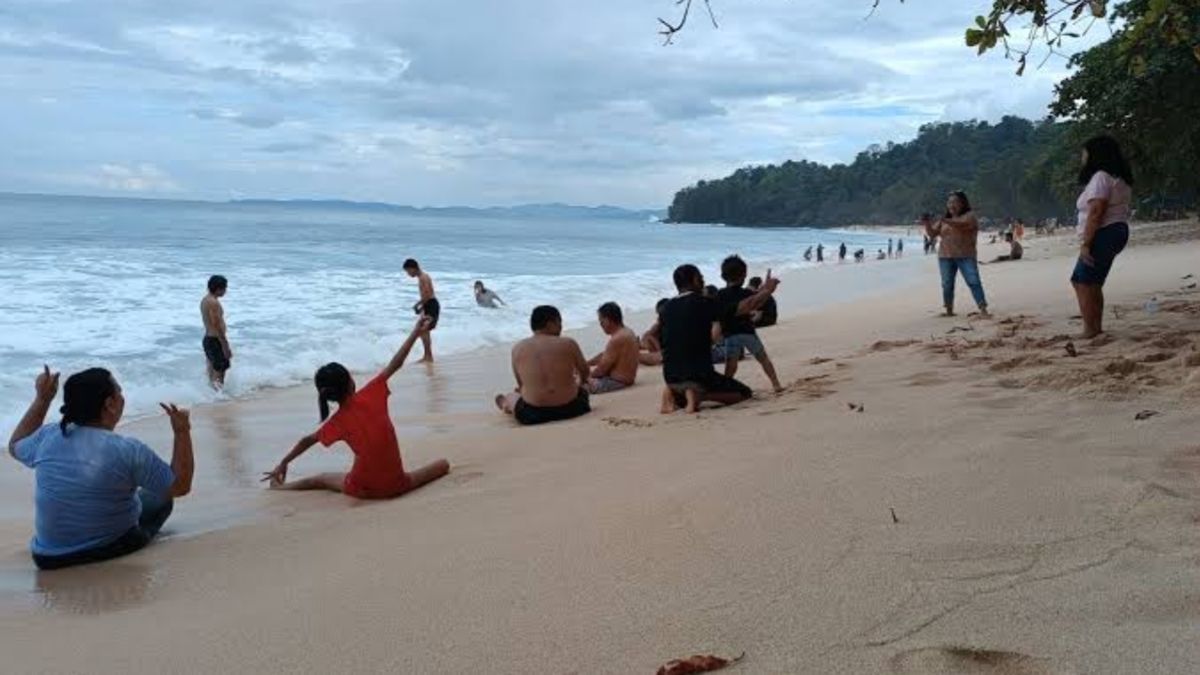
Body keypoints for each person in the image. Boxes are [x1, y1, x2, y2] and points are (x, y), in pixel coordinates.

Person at [9, 366, 195, 569]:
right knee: (159, 498)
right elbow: (180, 486)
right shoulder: (127, 450)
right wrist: (182, 430)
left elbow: (15, 445)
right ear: (110, 405)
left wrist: (42, 400)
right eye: (120, 392)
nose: (123, 397)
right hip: (105, 548)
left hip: (47, 557)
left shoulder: (48, 437)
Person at [263, 318, 450, 497]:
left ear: (328, 396)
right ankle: (280, 489)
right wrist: (416, 332)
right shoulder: (372, 391)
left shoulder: (336, 423)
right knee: (443, 464)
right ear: (350, 381)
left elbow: (307, 440)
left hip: (364, 490)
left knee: (320, 479)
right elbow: (396, 363)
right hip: (399, 484)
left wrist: (284, 462)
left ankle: (280, 488)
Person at [659, 263, 780, 414]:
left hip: (670, 376)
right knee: (743, 393)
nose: (703, 281)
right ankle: (701, 395)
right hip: (699, 375)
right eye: (701, 278)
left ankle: (674, 392)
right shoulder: (704, 303)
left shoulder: (666, 309)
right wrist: (768, 290)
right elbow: (746, 306)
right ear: (695, 280)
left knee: (684, 384)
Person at [1072, 135, 1133, 338]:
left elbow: (1096, 211)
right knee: (1092, 281)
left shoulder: (1100, 177)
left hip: (1104, 232)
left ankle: (1091, 329)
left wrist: (1086, 244)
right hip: (1116, 230)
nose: (1083, 156)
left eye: (1085, 152)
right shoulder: (1117, 177)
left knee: (1082, 281)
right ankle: (1095, 327)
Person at [496, 305, 591, 425]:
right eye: (559, 323)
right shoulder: (569, 343)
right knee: (582, 387)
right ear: (550, 323)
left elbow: (521, 384)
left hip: (533, 415)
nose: (561, 327)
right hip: (574, 408)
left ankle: (506, 403)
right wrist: (577, 383)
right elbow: (585, 373)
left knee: (512, 396)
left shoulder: (517, 349)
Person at [717, 256, 784, 393]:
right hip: (747, 331)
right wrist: (767, 288)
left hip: (730, 334)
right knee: (763, 359)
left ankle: (724, 388)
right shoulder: (746, 293)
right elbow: (757, 299)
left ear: (723, 276)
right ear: (744, 275)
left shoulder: (720, 295)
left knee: (731, 365)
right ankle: (776, 384)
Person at [922, 191, 989, 317]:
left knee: (973, 281)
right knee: (947, 284)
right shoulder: (945, 220)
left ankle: (983, 308)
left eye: (955, 202)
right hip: (945, 256)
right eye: (949, 202)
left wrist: (945, 220)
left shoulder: (970, 216)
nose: (951, 205)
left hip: (966, 255)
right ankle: (949, 310)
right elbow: (932, 234)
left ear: (963, 204)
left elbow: (962, 225)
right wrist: (926, 223)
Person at [587, 302, 639, 394]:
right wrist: (588, 363)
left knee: (573, 385)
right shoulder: (628, 332)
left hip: (616, 382)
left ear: (607, 320)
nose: (601, 325)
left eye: (601, 321)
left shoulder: (616, 339)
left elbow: (601, 370)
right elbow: (606, 355)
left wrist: (586, 376)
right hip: (626, 379)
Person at [403, 259, 438, 362]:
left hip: (431, 305)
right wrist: (422, 307)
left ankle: (428, 356)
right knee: (424, 331)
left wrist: (417, 305)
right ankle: (428, 356)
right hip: (428, 305)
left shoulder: (423, 277)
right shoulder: (422, 277)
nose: (408, 274)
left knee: (423, 331)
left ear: (413, 268)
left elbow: (427, 294)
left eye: (408, 271)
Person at [201, 275, 232, 390]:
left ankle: (211, 397)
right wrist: (225, 346)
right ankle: (218, 397)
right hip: (215, 339)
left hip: (208, 338)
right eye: (225, 288)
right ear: (219, 288)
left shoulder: (205, 300)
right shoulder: (213, 303)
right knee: (220, 370)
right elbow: (217, 325)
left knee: (211, 370)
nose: (225, 291)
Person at [638, 298, 669, 366]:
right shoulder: (660, 324)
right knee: (648, 336)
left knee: (638, 357)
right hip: (661, 350)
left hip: (667, 353)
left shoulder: (674, 324)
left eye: (661, 314)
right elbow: (648, 335)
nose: (659, 317)